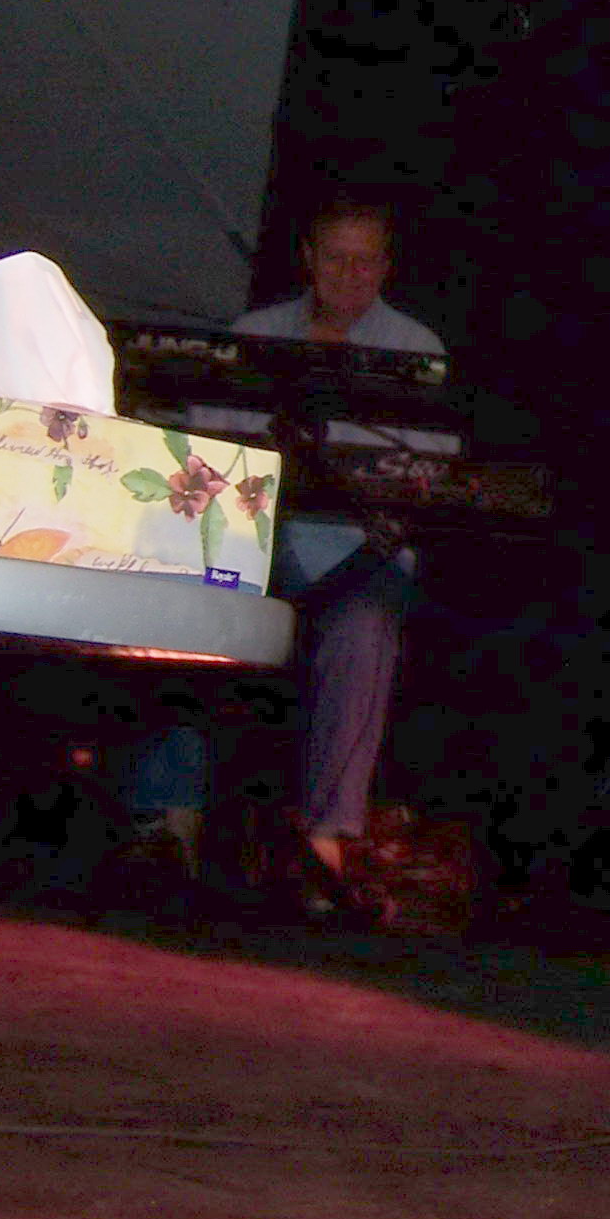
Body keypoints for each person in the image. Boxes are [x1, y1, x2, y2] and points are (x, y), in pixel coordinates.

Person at [230, 197, 451, 909]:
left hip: (363, 549)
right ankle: (167, 818)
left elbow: (433, 468)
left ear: (386, 266)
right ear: (308, 259)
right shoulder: (256, 335)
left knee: (364, 626)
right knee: (186, 609)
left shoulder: (416, 346)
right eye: (335, 258)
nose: (350, 274)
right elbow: (207, 438)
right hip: (261, 542)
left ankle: (330, 836)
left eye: (365, 261)